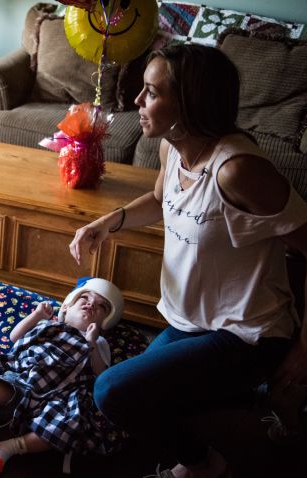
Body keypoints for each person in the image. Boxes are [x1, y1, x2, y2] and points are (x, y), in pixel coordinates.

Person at [69, 43, 307, 478]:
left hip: (249, 333)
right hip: (191, 322)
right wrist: (108, 222)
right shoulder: (172, 149)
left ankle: (203, 466)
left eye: (151, 93)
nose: (137, 102)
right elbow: (162, 198)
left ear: (190, 104)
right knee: (143, 391)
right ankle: (254, 397)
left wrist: (304, 351)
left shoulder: (237, 170)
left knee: (112, 392)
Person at [0, 278, 125, 474]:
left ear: (105, 322)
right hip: (21, 383)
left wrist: (91, 343)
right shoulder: (48, 325)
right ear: (67, 307)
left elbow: (102, 375)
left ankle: (12, 446)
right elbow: (15, 338)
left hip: (59, 399)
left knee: (70, 427)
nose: (90, 305)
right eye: (85, 299)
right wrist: (36, 316)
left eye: (101, 306)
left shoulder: (99, 342)